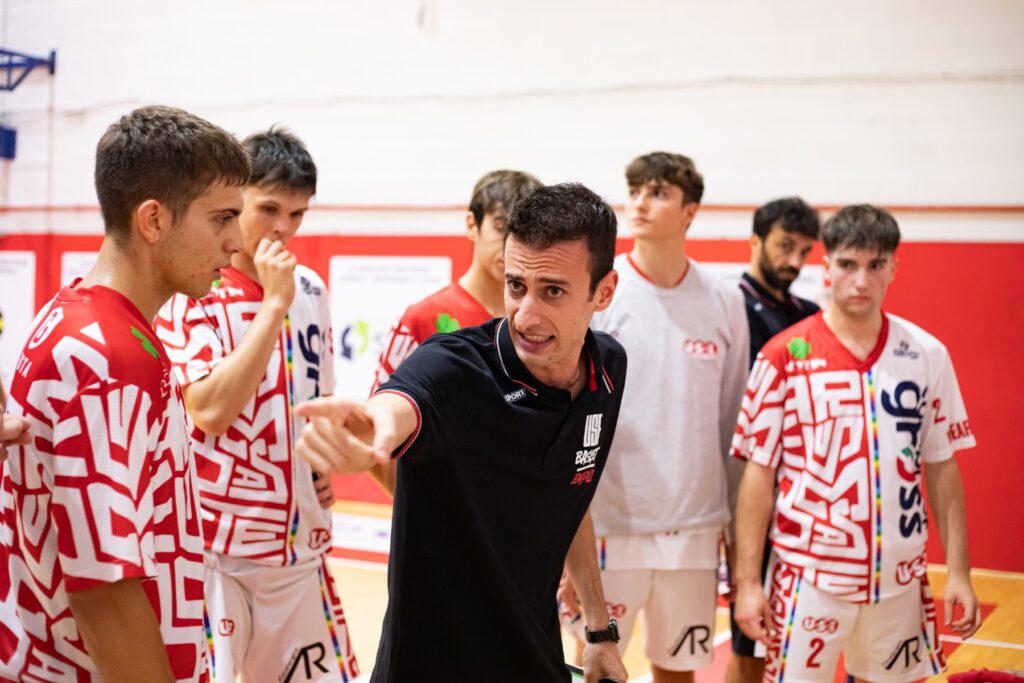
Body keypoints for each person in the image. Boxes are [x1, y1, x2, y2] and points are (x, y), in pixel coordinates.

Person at [295, 183, 630, 683]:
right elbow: (396, 409)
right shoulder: (455, 367)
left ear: (603, 292)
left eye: (552, 291)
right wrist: (368, 433)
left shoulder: (608, 369)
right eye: (516, 285)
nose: (526, 314)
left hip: (534, 658)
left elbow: (572, 495)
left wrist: (599, 632)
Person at [0, 105, 249, 681]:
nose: (237, 242)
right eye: (222, 218)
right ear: (153, 220)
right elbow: (104, 590)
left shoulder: (87, 320)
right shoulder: (108, 357)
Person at [732, 205, 982, 682]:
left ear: (894, 268)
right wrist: (747, 584)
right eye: (847, 264)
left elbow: (942, 466)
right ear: (826, 266)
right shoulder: (782, 355)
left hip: (899, 580)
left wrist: (959, 572)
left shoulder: (927, 354)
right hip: (808, 577)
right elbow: (757, 474)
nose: (861, 281)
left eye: (875, 265)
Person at [154, 127, 359, 682]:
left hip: (298, 554)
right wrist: (273, 306)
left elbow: (320, 399)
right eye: (269, 209)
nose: (283, 229)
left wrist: (322, 463)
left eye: (297, 214)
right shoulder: (195, 291)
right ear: (236, 199)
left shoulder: (310, 289)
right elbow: (208, 411)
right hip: (216, 552)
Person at [563, 151, 750, 682]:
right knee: (595, 669)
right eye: (635, 190)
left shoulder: (725, 299)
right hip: (609, 528)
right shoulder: (603, 291)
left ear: (690, 211)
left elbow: (733, 424)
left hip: (695, 530)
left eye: (658, 192)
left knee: (678, 674)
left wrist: (737, 540)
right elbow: (572, 419)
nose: (640, 202)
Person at [368, 169, 540, 492]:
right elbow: (374, 437)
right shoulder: (422, 319)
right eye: (501, 227)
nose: (512, 244)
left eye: (525, 231)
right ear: (472, 225)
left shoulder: (541, 325)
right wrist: (427, 509)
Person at [727, 197, 821, 683]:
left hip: (802, 502)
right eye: (785, 246)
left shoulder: (812, 315)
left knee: (789, 640)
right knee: (751, 641)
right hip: (747, 496)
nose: (794, 261)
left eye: (804, 251)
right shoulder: (730, 308)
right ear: (756, 241)